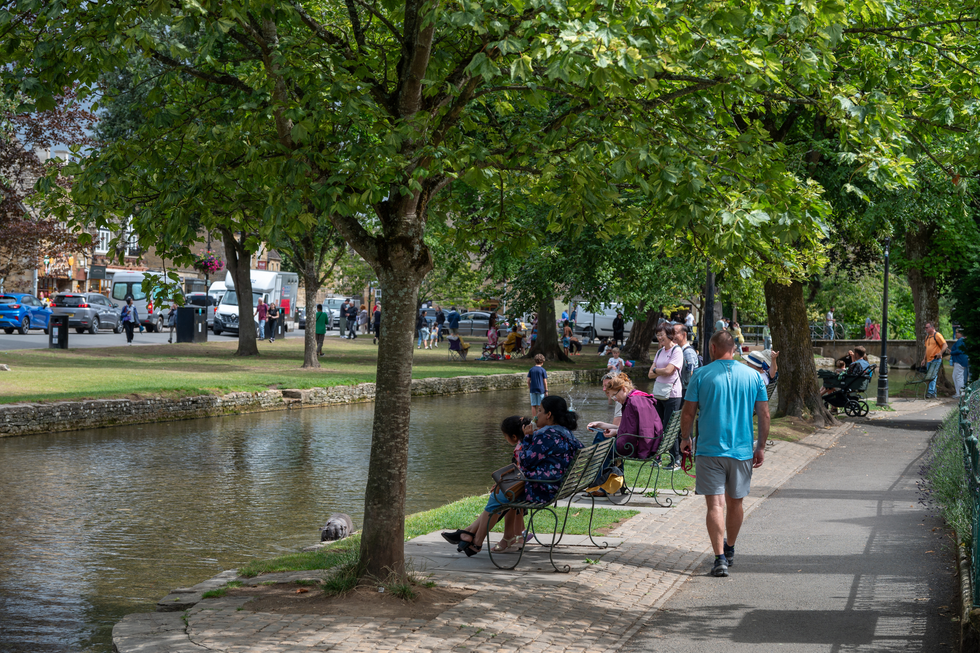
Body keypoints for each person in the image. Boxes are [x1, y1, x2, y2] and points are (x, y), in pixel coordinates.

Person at [679, 330, 770, 578]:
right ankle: (730, 548)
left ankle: (719, 558)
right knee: (735, 503)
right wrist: (760, 446)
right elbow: (764, 414)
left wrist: (685, 438)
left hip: (709, 450)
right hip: (741, 451)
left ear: (712, 348)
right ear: (735, 348)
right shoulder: (754, 377)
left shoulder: (701, 374)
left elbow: (687, 413)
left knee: (715, 504)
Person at [447, 397, 583, 556]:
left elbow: (525, 462)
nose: (536, 415)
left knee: (499, 494)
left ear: (549, 414)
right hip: (556, 485)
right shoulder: (566, 432)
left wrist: (527, 438)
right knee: (502, 489)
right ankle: (471, 536)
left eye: (539, 411)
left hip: (542, 488)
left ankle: (476, 541)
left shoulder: (545, 435)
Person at [442, 415, 531, 554]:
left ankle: (475, 541)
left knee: (496, 500)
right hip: (529, 486)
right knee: (499, 496)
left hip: (525, 489)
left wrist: (502, 484)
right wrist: (501, 483)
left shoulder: (522, 447)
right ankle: (468, 533)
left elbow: (521, 472)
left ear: (514, 436)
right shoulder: (529, 444)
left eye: (504, 435)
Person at [590, 373, 662, 461]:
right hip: (652, 444)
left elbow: (629, 433)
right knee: (602, 438)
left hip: (639, 448)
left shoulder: (631, 402)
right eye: (612, 397)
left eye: (614, 395)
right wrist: (600, 424)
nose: (615, 399)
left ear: (623, 389)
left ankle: (596, 469)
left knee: (601, 439)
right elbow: (631, 428)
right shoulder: (639, 397)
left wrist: (616, 432)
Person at [649, 323, 684, 467]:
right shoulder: (659, 352)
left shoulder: (677, 351)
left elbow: (670, 371)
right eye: (657, 335)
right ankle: (657, 458)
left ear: (669, 334)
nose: (659, 338)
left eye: (661, 334)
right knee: (657, 427)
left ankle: (675, 458)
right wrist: (659, 370)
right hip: (659, 393)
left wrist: (657, 369)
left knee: (670, 427)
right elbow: (650, 374)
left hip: (673, 394)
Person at [920, 322, 948, 399]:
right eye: (925, 327)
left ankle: (930, 392)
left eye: (927, 327)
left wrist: (940, 353)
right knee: (931, 376)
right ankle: (933, 394)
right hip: (929, 360)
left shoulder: (937, 335)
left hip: (936, 359)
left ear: (932, 328)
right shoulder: (927, 337)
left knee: (932, 375)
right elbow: (927, 349)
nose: (925, 329)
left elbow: (945, 345)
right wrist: (924, 359)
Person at [673, 324, 701, 393]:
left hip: (686, 391)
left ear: (684, 334)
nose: (673, 336)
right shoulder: (679, 350)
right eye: (671, 333)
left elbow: (689, 375)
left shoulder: (688, 352)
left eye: (675, 333)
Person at [527, 353, 548, 418]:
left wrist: (530, 388)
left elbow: (528, 381)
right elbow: (545, 381)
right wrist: (546, 390)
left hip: (532, 390)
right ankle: (539, 418)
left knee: (533, 405)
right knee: (540, 406)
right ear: (542, 362)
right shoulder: (543, 370)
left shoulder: (531, 369)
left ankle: (534, 419)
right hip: (541, 390)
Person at [951, 329, 969, 398]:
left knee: (958, 377)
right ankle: (959, 392)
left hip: (959, 361)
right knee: (955, 376)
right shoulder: (962, 340)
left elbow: (959, 350)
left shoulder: (960, 340)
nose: (956, 334)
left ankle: (960, 394)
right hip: (961, 361)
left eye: (957, 332)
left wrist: (951, 352)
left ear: (961, 333)